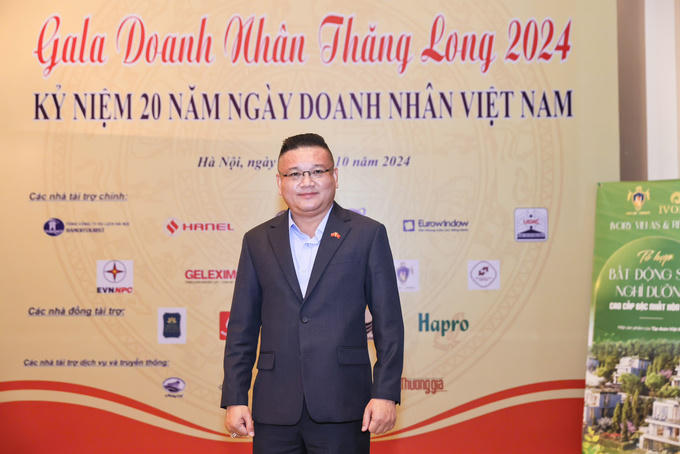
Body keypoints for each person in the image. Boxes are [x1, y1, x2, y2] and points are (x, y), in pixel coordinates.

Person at [221, 133, 404, 454]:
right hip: (274, 408)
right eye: (294, 174)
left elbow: (389, 324)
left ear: (335, 176)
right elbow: (241, 327)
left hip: (344, 404)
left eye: (317, 171)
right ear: (280, 183)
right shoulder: (257, 241)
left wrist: (385, 393)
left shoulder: (367, 235)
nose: (306, 182)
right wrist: (235, 397)